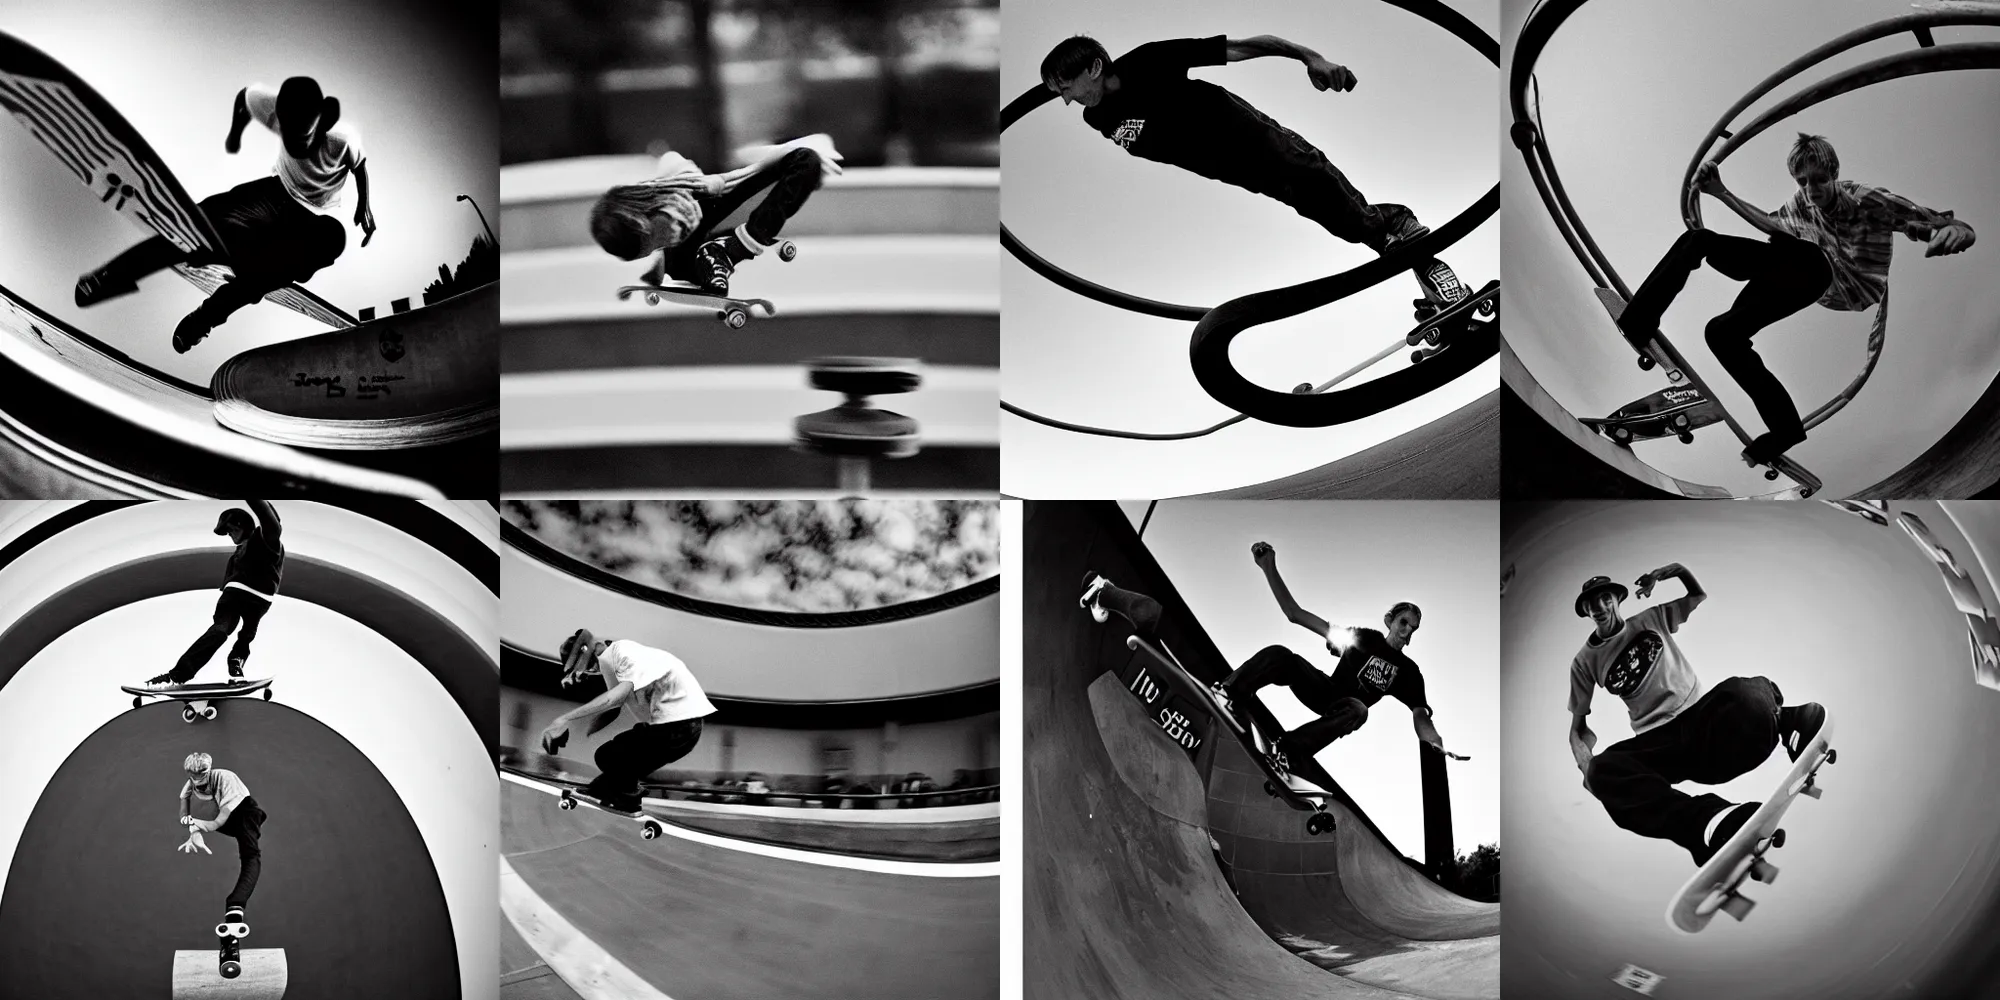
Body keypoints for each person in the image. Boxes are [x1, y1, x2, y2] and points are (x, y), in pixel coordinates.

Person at [1616, 133, 1977, 464]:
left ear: (1833, 172)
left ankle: (1747, 272)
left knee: (1803, 251)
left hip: (1835, 280)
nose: (1812, 189)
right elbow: (1771, 226)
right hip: (1794, 273)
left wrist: (1955, 231)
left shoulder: (1867, 199)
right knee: (1719, 321)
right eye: (1803, 182)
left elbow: (1933, 221)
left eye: (1819, 179)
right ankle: (1783, 428)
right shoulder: (1801, 203)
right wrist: (1719, 191)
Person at [1040, 34, 1464, 302]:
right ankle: (1400, 246)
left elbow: (1245, 48)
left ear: (1094, 67)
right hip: (1237, 171)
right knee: (1336, 220)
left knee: (1312, 176)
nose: (1066, 100)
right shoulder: (1096, 118)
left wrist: (1309, 58)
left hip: (1254, 138)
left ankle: (1399, 226)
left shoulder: (1149, 61)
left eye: (1066, 86)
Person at [75, 77, 375, 353]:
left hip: (310, 220)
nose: (295, 147)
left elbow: (359, 167)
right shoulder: (267, 104)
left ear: (321, 122)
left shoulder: (343, 138)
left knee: (333, 238)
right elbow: (245, 97)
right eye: (289, 137)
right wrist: (235, 133)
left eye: (304, 139)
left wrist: (365, 205)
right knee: (197, 225)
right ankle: (112, 276)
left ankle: (207, 316)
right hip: (273, 195)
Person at [1569, 568, 1827, 866]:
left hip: (1709, 725)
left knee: (1741, 690)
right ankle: (1709, 825)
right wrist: (1588, 768)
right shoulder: (1583, 662)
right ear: (1586, 611)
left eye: (1605, 598)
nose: (1600, 607)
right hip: (1661, 744)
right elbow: (1578, 729)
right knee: (1603, 769)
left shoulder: (1650, 618)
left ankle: (1791, 724)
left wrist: (1669, 572)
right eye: (1592, 604)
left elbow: (1697, 595)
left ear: (1617, 599)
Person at [1217, 540, 1448, 795]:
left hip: (1345, 710)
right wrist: (1268, 566)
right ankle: (1230, 693)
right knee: (1282, 656)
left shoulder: (1408, 672)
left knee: (1359, 709)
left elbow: (1419, 713)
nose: (1407, 631)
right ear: (1390, 621)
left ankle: (1286, 753)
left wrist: (1433, 739)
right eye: (1404, 623)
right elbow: (1296, 614)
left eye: (1413, 628)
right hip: (1324, 689)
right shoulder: (1365, 638)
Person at [587, 134, 844, 298]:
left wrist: (705, 180)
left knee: (806, 160)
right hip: (698, 248)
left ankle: (731, 250)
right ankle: (678, 266)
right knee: (680, 257)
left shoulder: (682, 186)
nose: (666, 238)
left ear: (645, 216)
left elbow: (671, 159)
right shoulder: (660, 231)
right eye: (654, 247)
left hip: (729, 213)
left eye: (658, 236)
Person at [538, 628, 716, 813]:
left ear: (590, 653)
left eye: (590, 668)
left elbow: (613, 699)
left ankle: (630, 797)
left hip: (680, 726)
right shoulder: (612, 661)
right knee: (612, 763)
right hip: (677, 728)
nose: (593, 671)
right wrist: (580, 730)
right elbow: (613, 710)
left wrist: (563, 719)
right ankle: (611, 792)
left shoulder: (622, 654)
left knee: (608, 756)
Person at [147, 501, 283, 688]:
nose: (230, 536)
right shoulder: (236, 554)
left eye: (230, 531)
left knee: (246, 635)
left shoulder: (264, 541)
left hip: (257, 598)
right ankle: (176, 676)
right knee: (219, 632)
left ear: (241, 526)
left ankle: (235, 664)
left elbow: (272, 521)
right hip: (237, 597)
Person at [175, 752, 268, 939]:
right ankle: (235, 904)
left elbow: (217, 821)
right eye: (194, 779)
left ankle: (235, 905)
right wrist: (193, 832)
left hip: (242, 812)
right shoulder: (191, 784)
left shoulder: (226, 778)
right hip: (223, 817)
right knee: (201, 811)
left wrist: (198, 825)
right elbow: (184, 805)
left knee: (251, 856)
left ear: (209, 771)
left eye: (202, 778)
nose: (198, 783)